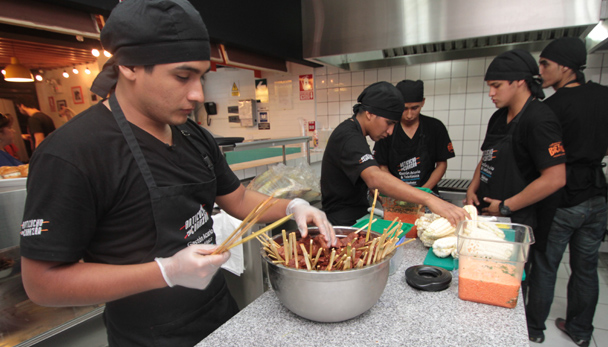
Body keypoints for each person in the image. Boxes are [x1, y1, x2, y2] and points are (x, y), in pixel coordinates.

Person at [19, 1, 335, 346]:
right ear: (129, 66)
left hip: (219, 314)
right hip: (148, 337)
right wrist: (165, 272)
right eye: (182, 76)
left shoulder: (193, 135)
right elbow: (42, 284)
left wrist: (291, 207)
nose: (197, 94)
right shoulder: (72, 153)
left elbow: (239, 198)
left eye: (201, 76)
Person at [525, 37, 608, 347]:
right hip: (596, 194)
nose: (541, 71)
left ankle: (535, 328)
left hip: (563, 198)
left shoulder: (551, 107)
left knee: (546, 264)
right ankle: (580, 330)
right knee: (586, 268)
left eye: (546, 64)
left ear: (565, 67)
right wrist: (600, 151)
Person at [320, 81, 469, 227]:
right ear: (370, 114)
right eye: (389, 123)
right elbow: (374, 177)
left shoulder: (356, 134)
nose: (390, 131)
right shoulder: (348, 136)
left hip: (356, 217)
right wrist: (429, 199)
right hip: (344, 224)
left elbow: (365, 175)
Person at [465, 49, 566, 239]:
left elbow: (555, 178)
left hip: (516, 220)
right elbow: (488, 156)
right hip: (488, 214)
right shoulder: (498, 117)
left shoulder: (539, 119)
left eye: (497, 86)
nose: (491, 93)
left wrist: (505, 206)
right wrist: (472, 188)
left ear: (520, 81)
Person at [373, 80, 455, 194]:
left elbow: (441, 164)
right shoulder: (387, 128)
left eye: (414, 108)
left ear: (423, 102)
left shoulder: (435, 127)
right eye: (405, 109)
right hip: (397, 195)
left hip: (428, 194)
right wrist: (399, 190)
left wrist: (424, 191)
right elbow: (382, 166)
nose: (409, 115)